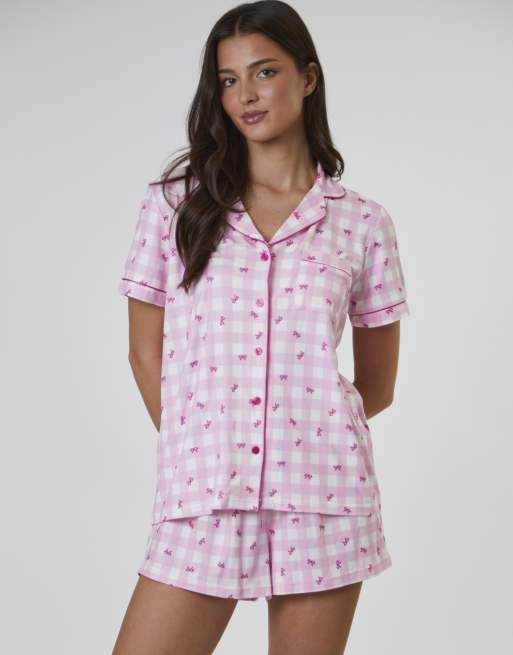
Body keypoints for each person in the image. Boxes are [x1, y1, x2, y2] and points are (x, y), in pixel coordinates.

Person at [112, 1, 410, 653]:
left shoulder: (362, 223)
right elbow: (144, 353)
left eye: (264, 71)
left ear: (308, 77)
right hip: (205, 492)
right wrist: (203, 447)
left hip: (325, 498)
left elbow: (378, 384)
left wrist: (304, 429)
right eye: (228, 79)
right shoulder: (174, 207)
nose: (245, 94)